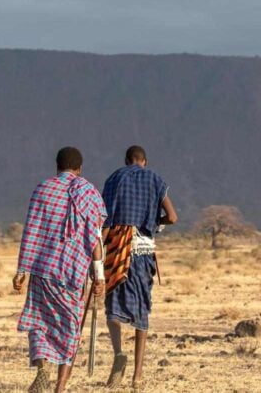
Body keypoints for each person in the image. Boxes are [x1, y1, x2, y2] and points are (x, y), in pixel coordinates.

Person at [13, 147, 107, 393]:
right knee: (70, 328)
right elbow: (95, 238)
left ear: (57, 166)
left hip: (43, 270)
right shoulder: (90, 194)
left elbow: (31, 231)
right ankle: (61, 386)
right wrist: (99, 276)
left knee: (39, 321)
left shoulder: (42, 190)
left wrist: (22, 269)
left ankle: (43, 369)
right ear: (80, 169)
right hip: (73, 275)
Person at [102, 145, 178, 390]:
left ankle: (118, 353)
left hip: (117, 251)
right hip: (143, 253)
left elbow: (104, 219)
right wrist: (156, 221)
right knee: (141, 312)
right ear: (144, 161)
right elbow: (173, 218)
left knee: (112, 307)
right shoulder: (155, 179)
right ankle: (137, 376)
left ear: (127, 160)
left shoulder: (114, 178)